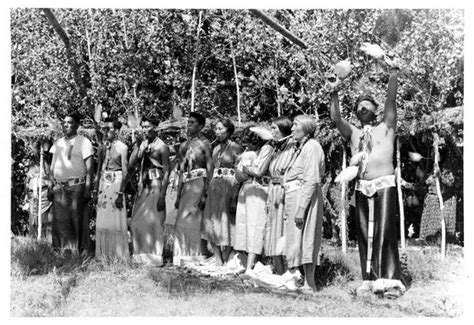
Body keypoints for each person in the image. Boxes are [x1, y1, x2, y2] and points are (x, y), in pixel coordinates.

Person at [330, 59, 405, 298]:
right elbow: (335, 118)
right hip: (362, 186)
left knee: (384, 231)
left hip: (384, 184)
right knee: (364, 232)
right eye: (359, 106)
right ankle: (368, 278)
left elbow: (391, 101)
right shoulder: (353, 133)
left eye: (366, 105)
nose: (362, 108)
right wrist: (334, 91)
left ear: (375, 109)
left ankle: (389, 280)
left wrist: (393, 74)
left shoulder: (387, 126)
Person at [282, 115, 325, 291]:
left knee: (307, 237)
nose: (291, 129)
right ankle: (299, 279)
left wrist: (302, 207)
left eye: (296, 125)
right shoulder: (300, 148)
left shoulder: (312, 147)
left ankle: (310, 283)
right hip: (295, 195)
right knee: (296, 239)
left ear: (306, 129)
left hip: (305, 197)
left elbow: (311, 178)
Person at [48, 113, 94, 252]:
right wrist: (50, 185)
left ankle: (79, 251)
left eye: (69, 122)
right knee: (59, 221)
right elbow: (52, 166)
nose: (66, 125)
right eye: (64, 122)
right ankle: (61, 251)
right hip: (59, 188)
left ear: (77, 125)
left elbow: (90, 168)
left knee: (76, 221)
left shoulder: (84, 142)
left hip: (77, 187)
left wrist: (87, 189)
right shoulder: (58, 143)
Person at [128, 116, 170, 266]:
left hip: (156, 186)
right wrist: (137, 147)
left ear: (156, 128)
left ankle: (155, 256)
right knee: (136, 222)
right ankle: (139, 254)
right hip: (143, 187)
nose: (145, 129)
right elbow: (131, 165)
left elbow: (167, 171)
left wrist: (163, 195)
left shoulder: (162, 147)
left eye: (147, 126)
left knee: (154, 222)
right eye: (143, 127)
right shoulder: (143, 144)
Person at [201, 119, 243, 266]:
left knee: (228, 221)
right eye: (216, 129)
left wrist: (235, 195)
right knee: (211, 221)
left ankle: (227, 257)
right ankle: (218, 259)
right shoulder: (215, 149)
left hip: (229, 187)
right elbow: (211, 170)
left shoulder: (236, 148)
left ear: (229, 131)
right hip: (214, 187)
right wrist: (205, 191)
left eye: (221, 129)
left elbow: (240, 172)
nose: (217, 132)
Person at [173, 112, 212, 266]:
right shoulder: (184, 145)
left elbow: (210, 168)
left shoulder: (205, 144)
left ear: (201, 126)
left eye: (193, 123)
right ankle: (181, 255)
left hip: (199, 184)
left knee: (195, 219)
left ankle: (197, 255)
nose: (189, 125)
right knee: (182, 220)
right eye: (188, 122)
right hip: (186, 186)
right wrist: (177, 195)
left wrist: (205, 193)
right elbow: (182, 171)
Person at [233, 126, 274, 273]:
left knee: (256, 226)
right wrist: (244, 172)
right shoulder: (249, 152)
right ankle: (245, 261)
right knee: (244, 225)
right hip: (247, 190)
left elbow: (258, 171)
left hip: (259, 192)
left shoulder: (267, 149)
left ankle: (251, 265)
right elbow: (237, 175)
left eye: (249, 142)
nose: (247, 146)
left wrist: (245, 170)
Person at [92, 118, 129, 260]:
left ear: (117, 131)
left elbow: (125, 171)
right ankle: (103, 254)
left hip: (116, 184)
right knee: (103, 220)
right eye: (105, 129)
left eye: (109, 129)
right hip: (104, 184)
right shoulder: (102, 147)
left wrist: (120, 192)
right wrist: (95, 190)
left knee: (115, 219)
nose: (106, 132)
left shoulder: (122, 147)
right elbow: (99, 170)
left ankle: (118, 255)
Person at [264, 117, 294, 275]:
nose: (272, 131)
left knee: (284, 231)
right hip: (273, 192)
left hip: (285, 193)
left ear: (284, 129)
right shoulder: (276, 149)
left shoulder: (293, 148)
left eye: (275, 128)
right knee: (273, 230)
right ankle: (278, 270)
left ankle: (290, 271)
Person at [24, 138, 53, 239]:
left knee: (45, 222)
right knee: (33, 222)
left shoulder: (48, 163)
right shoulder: (32, 164)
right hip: (33, 197)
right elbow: (27, 181)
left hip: (44, 195)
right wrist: (26, 194)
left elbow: (50, 178)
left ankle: (45, 245)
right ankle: (33, 245)